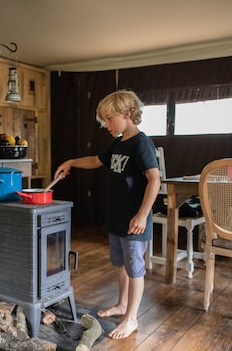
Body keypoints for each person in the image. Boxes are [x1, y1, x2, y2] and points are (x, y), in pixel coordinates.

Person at [54, 89, 161, 340]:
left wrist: (142, 215)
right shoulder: (118, 142)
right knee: (122, 264)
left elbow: (154, 180)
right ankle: (123, 305)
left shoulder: (141, 143)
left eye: (108, 119)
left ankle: (131, 318)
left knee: (135, 269)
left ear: (126, 114)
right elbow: (95, 160)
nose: (105, 125)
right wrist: (71, 162)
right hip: (117, 218)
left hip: (135, 221)